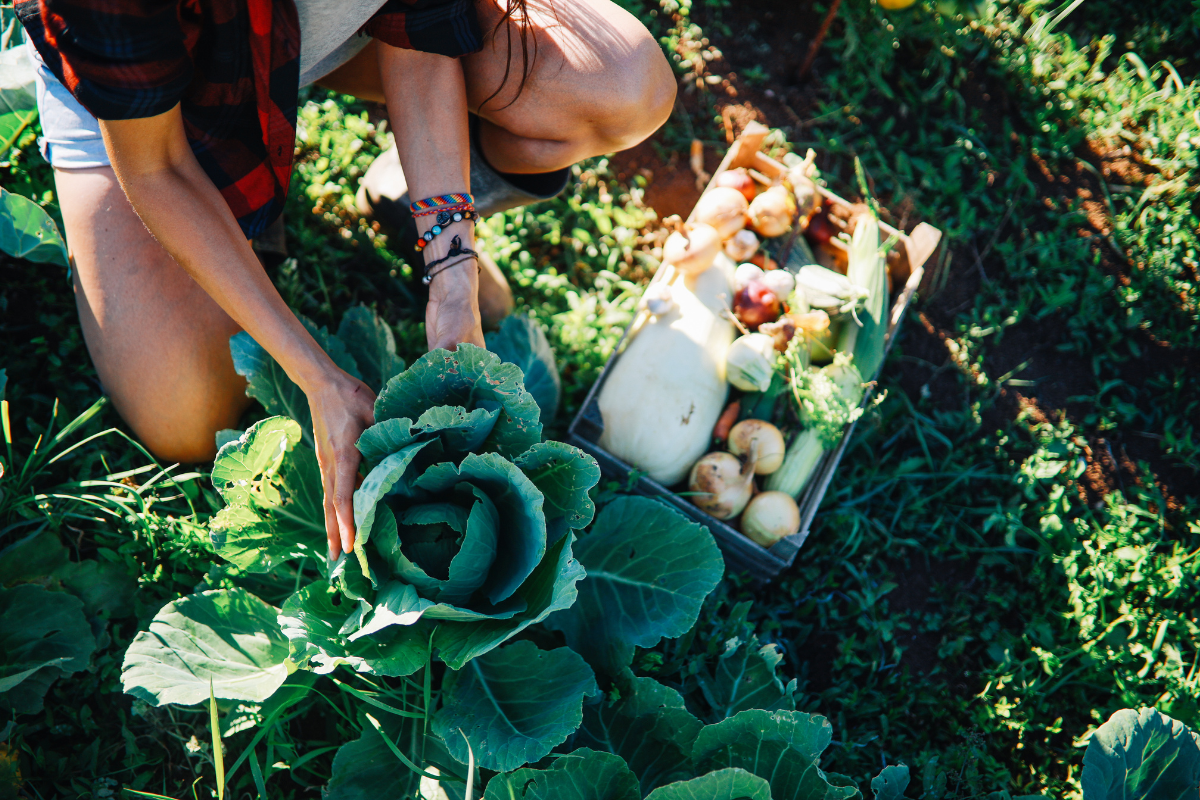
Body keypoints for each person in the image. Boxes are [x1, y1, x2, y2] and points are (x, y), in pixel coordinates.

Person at [16, 0, 675, 561]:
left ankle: (405, 195)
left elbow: (420, 29)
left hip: (313, 35)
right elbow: (156, 167)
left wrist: (453, 277)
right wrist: (317, 376)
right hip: (150, 112)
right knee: (188, 418)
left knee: (619, 87)